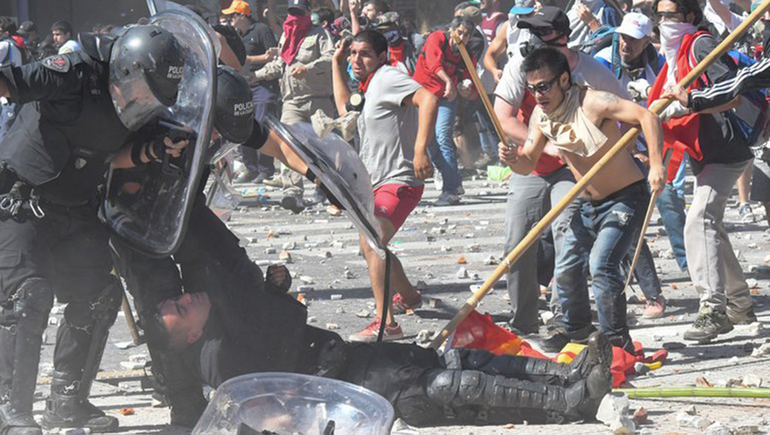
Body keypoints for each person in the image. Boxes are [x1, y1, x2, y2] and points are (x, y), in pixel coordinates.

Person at [141, 225, 614, 427]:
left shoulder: (223, 333)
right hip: (361, 391)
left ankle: (566, 375)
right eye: (181, 310)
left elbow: (275, 321)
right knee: (451, 384)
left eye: (178, 298)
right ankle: (570, 402)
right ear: (191, 336)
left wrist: (274, 290)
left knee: (452, 358)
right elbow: (276, 410)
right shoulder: (221, 361)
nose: (187, 298)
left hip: (360, 365)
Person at [0, 25, 187, 434]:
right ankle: (10, 412)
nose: (143, 101)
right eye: (141, 89)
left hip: (75, 208)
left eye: (152, 97)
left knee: (99, 295)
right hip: (19, 202)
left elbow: (114, 152)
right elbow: (8, 82)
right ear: (123, 69)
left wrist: (161, 147)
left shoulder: (144, 105)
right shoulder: (72, 74)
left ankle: (67, 402)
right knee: (28, 297)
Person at [500, 47, 665, 354]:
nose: (538, 95)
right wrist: (513, 159)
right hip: (587, 202)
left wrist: (656, 165)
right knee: (567, 266)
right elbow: (527, 163)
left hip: (625, 197)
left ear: (564, 79)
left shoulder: (594, 102)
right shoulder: (540, 116)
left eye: (544, 86)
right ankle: (575, 331)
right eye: (532, 88)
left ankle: (617, 343)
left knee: (601, 266)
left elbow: (647, 116)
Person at [493, 6, 631, 342]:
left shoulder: (591, 71)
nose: (532, 40)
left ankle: (563, 318)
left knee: (566, 237)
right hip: (532, 165)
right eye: (530, 33)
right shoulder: (519, 66)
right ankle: (523, 319)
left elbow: (628, 113)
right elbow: (504, 116)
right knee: (517, 238)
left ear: (562, 39)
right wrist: (542, 146)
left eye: (541, 34)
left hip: (574, 170)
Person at [648, 0, 756, 341]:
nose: (664, 21)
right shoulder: (671, 53)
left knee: (699, 220)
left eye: (671, 15)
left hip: (726, 149)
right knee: (711, 228)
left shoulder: (700, 44)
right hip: (705, 153)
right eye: (660, 15)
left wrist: (690, 100)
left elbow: (734, 95)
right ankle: (739, 302)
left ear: (690, 17)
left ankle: (713, 309)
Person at [330, 30, 438, 342]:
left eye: (363, 53)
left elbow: (428, 98)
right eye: (352, 53)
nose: (356, 59)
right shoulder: (366, 88)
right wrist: (336, 65)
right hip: (373, 183)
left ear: (380, 57)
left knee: (372, 241)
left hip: (399, 179)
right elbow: (343, 111)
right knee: (375, 244)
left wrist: (420, 150)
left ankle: (386, 323)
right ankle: (409, 296)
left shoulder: (389, 77)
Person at [593, 12, 669, 318]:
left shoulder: (659, 66)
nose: (626, 44)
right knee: (607, 225)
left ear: (647, 40)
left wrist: (651, 156)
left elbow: (661, 112)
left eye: (634, 39)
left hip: (642, 153)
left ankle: (652, 294)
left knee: (632, 222)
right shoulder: (599, 62)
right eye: (623, 37)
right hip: (604, 153)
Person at [253, 0, 335, 213]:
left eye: (299, 12)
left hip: (318, 100)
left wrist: (308, 68)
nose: (295, 16)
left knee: (323, 148)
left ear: (308, 12)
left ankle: (327, 189)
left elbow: (331, 58)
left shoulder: (320, 35)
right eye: (292, 12)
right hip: (292, 102)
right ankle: (292, 193)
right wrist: (253, 76)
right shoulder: (287, 36)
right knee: (288, 144)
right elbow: (279, 65)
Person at [412, 18, 478, 206]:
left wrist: (467, 90)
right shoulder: (437, 38)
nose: (462, 37)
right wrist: (448, 81)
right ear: (452, 30)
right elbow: (434, 63)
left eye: (467, 35)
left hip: (445, 99)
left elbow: (473, 89)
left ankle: (450, 191)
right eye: (460, 32)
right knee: (429, 141)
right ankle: (454, 181)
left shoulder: (467, 55)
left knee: (443, 137)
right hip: (423, 96)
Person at [222, 0, 280, 184]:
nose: (229, 19)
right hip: (244, 86)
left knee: (262, 124)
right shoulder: (235, 36)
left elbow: (274, 56)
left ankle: (265, 169)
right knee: (243, 124)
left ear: (242, 16)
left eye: (232, 16)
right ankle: (250, 168)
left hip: (263, 84)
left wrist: (249, 63)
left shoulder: (261, 30)